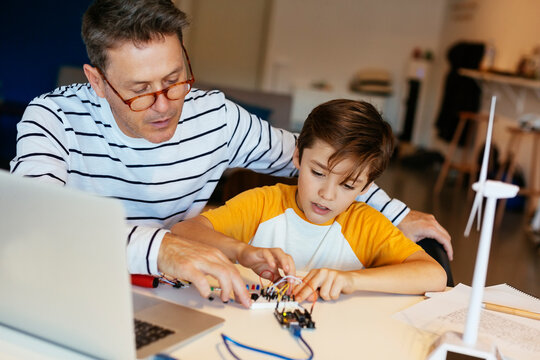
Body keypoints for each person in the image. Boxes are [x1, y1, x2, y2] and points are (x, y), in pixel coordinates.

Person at [10, 0, 449, 307]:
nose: (165, 105)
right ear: (98, 81)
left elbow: (313, 156)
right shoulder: (53, 117)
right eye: (140, 91)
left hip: (176, 296)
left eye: (175, 78)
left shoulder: (215, 116)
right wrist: (164, 248)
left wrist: (395, 213)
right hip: (78, 289)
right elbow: (38, 221)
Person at [171, 100, 447, 301]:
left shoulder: (366, 225)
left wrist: (350, 279)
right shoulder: (262, 204)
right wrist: (241, 251)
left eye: (348, 184)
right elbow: (183, 232)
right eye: (317, 172)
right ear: (297, 157)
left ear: (366, 186)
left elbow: (435, 276)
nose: (327, 194)